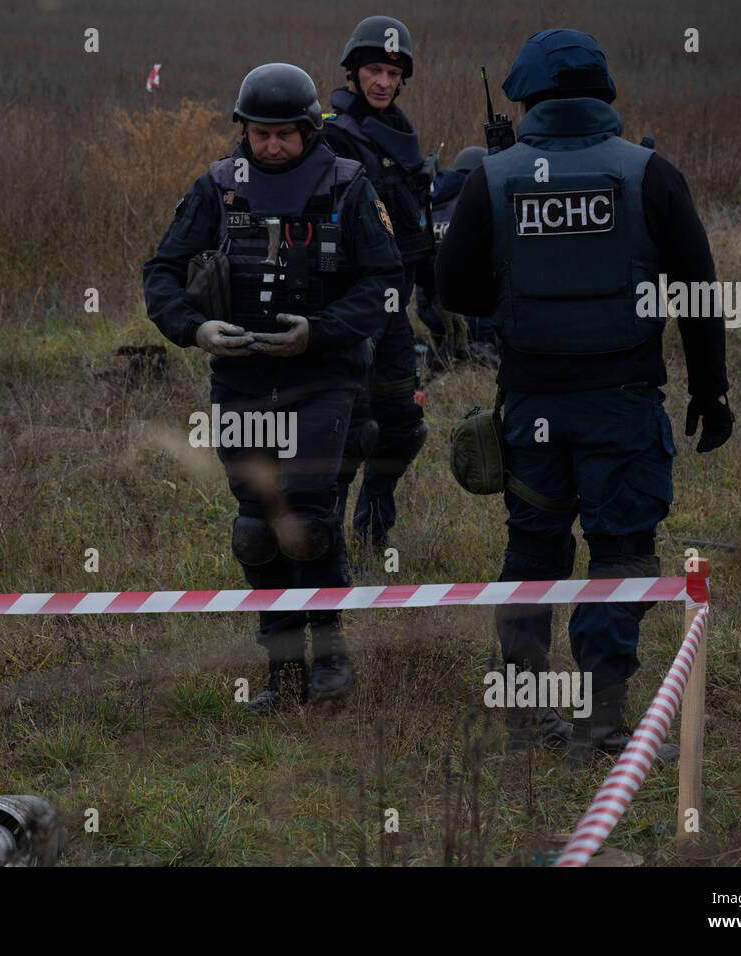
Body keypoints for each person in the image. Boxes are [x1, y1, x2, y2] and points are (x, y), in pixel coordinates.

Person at [435, 29, 733, 765]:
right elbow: (698, 292)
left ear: (526, 99)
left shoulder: (494, 177)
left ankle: (526, 724)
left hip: (531, 409)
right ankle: (602, 730)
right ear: (604, 96)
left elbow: (453, 290)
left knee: (531, 556)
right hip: (622, 407)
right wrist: (710, 390)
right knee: (622, 555)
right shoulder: (649, 174)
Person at [143, 63, 403, 713]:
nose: (272, 148)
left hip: (323, 379)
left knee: (307, 521)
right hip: (242, 379)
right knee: (256, 530)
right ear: (245, 131)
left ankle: (330, 654)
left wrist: (318, 331)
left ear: (309, 129)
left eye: (285, 135)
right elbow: (162, 273)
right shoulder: (217, 188)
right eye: (260, 135)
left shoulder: (347, 187)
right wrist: (196, 329)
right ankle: (281, 672)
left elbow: (384, 286)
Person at [321, 15, 433, 560]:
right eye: (373, 70)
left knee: (403, 427)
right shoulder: (331, 134)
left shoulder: (400, 136)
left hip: (395, 305)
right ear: (353, 72)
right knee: (348, 431)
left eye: (391, 72)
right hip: (348, 307)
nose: (382, 82)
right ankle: (328, 541)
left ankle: (372, 531)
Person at [415, 145, 500, 370]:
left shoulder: (430, 201)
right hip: (476, 313)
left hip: (430, 309)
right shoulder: (477, 197)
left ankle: (447, 355)